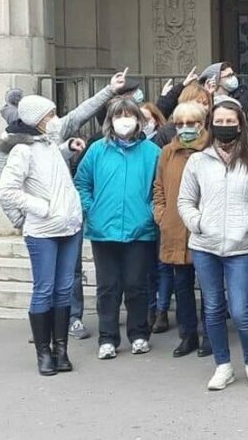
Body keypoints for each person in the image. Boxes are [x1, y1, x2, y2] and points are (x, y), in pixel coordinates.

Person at [0, 95, 89, 376]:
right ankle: (44, 353)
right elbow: (7, 190)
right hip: (43, 231)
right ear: (36, 120)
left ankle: (61, 350)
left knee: (63, 289)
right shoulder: (22, 151)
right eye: (49, 116)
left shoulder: (49, 146)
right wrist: (41, 209)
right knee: (44, 289)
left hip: (69, 227)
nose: (55, 120)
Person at [178, 100, 248, 390]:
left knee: (241, 310)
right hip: (205, 246)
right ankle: (223, 365)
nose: (225, 126)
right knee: (213, 308)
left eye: (231, 122)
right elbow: (185, 201)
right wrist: (198, 223)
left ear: (240, 125)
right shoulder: (198, 161)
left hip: (240, 246)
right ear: (210, 124)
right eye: (220, 121)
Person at [74, 97, 162, 360]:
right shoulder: (97, 150)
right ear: (110, 121)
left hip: (140, 230)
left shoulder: (152, 152)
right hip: (104, 230)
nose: (124, 120)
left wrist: (149, 214)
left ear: (139, 119)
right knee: (108, 287)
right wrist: (92, 208)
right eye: (118, 115)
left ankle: (138, 334)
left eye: (129, 115)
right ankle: (108, 337)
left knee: (137, 285)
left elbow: (160, 189)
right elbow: (81, 183)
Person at [151, 102, 210, 358]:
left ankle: (210, 334)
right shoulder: (167, 152)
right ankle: (188, 335)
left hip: (204, 229)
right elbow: (159, 186)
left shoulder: (211, 150)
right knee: (182, 284)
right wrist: (161, 214)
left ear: (201, 124)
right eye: (180, 124)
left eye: (191, 123)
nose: (185, 129)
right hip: (174, 227)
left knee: (209, 286)